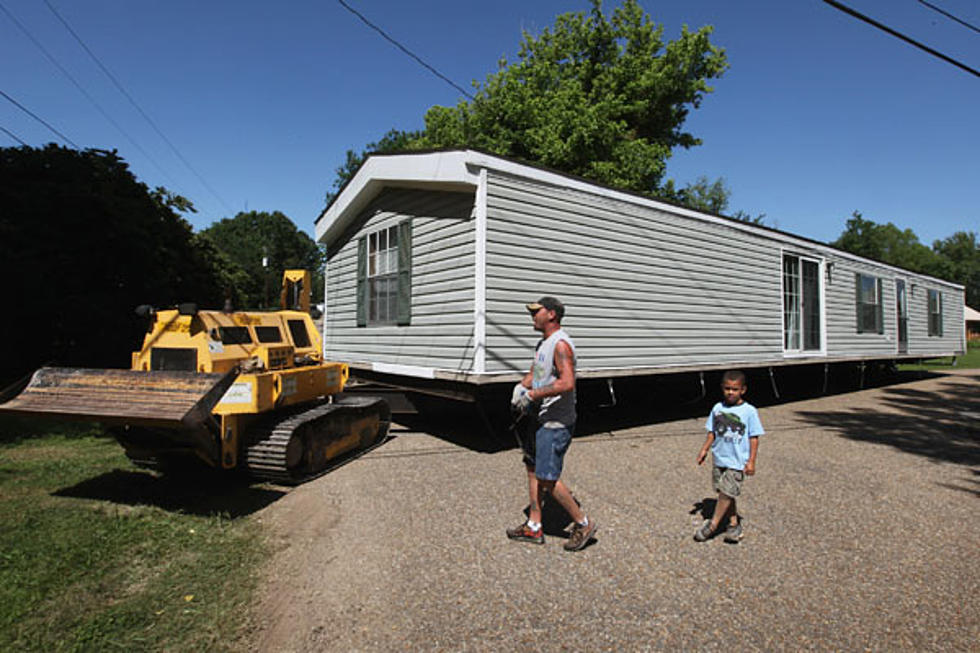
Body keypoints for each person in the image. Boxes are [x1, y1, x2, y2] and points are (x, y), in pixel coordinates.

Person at [507, 296, 597, 551]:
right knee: (533, 468)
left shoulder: (561, 345)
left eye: (537, 311)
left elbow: (567, 383)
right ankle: (534, 526)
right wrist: (521, 387)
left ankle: (583, 523)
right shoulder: (543, 343)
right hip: (540, 418)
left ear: (552, 315)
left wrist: (534, 395)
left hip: (555, 423)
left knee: (547, 477)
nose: (532, 315)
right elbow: (536, 372)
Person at [695, 370, 764, 543]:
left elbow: (754, 438)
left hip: (737, 461)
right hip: (720, 457)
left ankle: (713, 525)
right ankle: (733, 524)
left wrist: (751, 461)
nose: (730, 392)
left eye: (735, 389)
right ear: (722, 388)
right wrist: (704, 449)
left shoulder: (749, 411)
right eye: (727, 389)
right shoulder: (718, 408)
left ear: (743, 390)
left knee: (726, 492)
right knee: (724, 492)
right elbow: (712, 432)